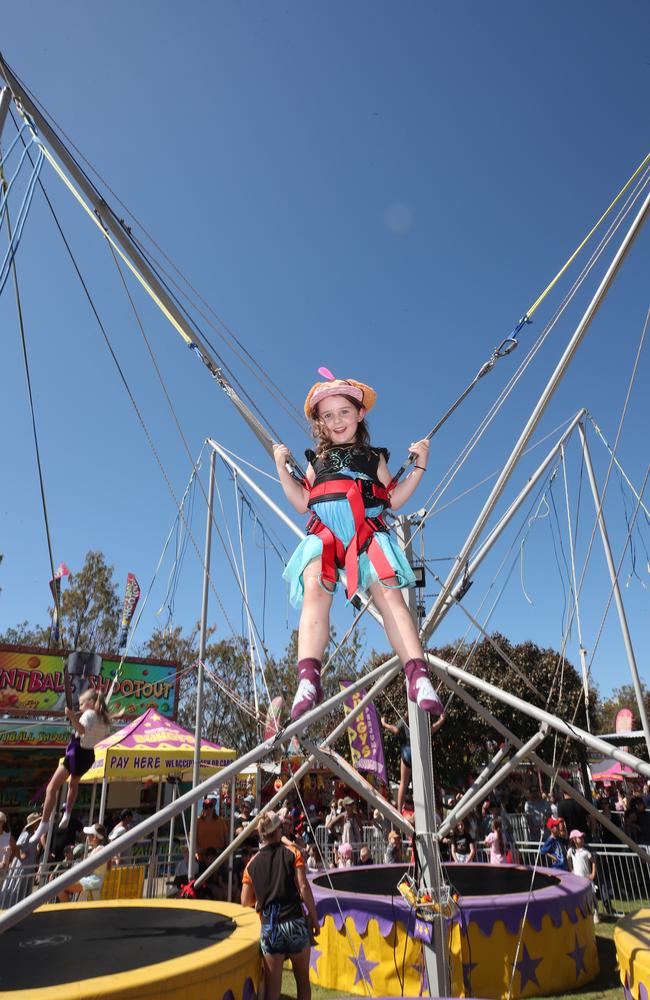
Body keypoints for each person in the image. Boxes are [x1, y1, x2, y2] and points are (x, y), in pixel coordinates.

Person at [273, 374, 444, 721]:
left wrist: (420, 464)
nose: (337, 421)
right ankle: (308, 677)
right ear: (320, 422)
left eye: (344, 412)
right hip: (326, 537)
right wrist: (281, 467)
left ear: (360, 414)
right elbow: (302, 502)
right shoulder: (315, 460)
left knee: (390, 596)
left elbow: (393, 497)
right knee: (314, 592)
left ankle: (418, 673)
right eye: (328, 416)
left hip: (367, 534)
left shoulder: (372, 457)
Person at [241, 811, 319, 1000]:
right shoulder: (293, 853)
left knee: (272, 990)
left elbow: (245, 901)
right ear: (279, 829)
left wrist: (261, 898)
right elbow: (302, 887)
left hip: (270, 927)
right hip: (294, 921)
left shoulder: (251, 864)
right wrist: (314, 919)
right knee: (302, 982)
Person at [30, 689, 112, 844]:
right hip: (88, 756)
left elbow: (81, 731)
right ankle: (67, 812)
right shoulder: (105, 720)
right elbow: (102, 736)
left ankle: (44, 823)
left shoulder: (88, 715)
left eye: (82, 703)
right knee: (73, 784)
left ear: (91, 703)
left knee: (51, 789)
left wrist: (72, 717)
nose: (80, 706)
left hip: (76, 753)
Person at [381, 713, 445, 814]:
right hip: (417, 753)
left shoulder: (404, 721)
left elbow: (395, 730)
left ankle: (399, 810)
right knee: (419, 783)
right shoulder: (421, 721)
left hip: (407, 751)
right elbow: (431, 729)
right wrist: (441, 720)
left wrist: (384, 724)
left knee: (403, 783)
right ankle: (422, 810)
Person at [57, 823, 110, 902]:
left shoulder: (99, 849)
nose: (87, 837)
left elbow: (87, 867)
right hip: (92, 879)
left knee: (60, 888)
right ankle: (70, 911)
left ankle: (70, 912)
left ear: (95, 837)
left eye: (89, 835)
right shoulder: (97, 849)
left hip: (93, 881)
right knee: (60, 887)